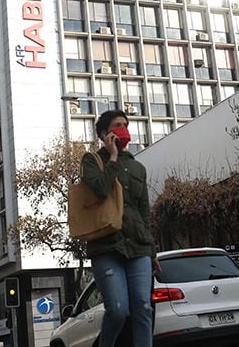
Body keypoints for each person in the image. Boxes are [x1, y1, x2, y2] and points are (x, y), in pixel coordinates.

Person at [82, 110, 161, 347]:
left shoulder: (137, 168)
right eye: (118, 125)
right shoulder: (91, 161)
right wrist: (113, 157)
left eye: (126, 125)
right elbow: (100, 189)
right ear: (104, 133)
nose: (124, 129)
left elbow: (143, 212)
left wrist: (152, 252)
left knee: (143, 308)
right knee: (117, 310)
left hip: (138, 248)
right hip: (106, 247)